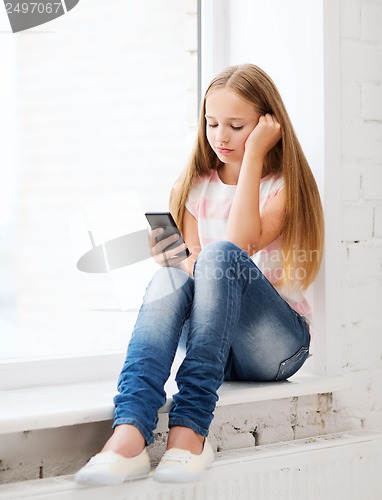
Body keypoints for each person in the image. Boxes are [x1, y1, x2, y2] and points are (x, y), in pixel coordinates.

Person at [75, 63, 324, 486]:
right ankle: (130, 431)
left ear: (268, 125)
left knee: (220, 253)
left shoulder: (281, 187)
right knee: (171, 278)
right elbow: (194, 266)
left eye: (236, 126)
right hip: (215, 344)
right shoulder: (196, 186)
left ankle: (191, 427)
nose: (220, 136)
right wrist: (174, 263)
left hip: (275, 346)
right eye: (211, 123)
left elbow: (241, 244)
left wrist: (257, 155)